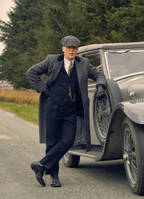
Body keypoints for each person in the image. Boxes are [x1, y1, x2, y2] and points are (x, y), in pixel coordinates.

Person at [26, 35, 106, 187]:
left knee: (68, 141)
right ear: (63, 48)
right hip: (52, 107)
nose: (72, 50)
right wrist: (42, 89)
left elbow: (99, 74)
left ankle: (41, 165)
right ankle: (54, 177)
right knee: (52, 142)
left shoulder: (83, 63)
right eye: (69, 47)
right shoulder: (51, 60)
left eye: (74, 48)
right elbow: (31, 72)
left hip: (71, 109)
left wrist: (100, 85)